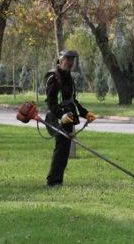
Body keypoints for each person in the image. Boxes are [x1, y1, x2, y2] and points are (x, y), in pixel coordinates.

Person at [44, 50, 96, 187]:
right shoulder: (53, 77)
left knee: (64, 151)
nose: (70, 62)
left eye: (72, 60)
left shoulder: (68, 77)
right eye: (67, 59)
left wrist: (85, 114)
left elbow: (72, 100)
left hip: (69, 117)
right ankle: (54, 181)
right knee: (60, 150)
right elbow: (51, 102)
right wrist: (61, 115)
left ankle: (57, 180)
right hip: (57, 118)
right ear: (60, 60)